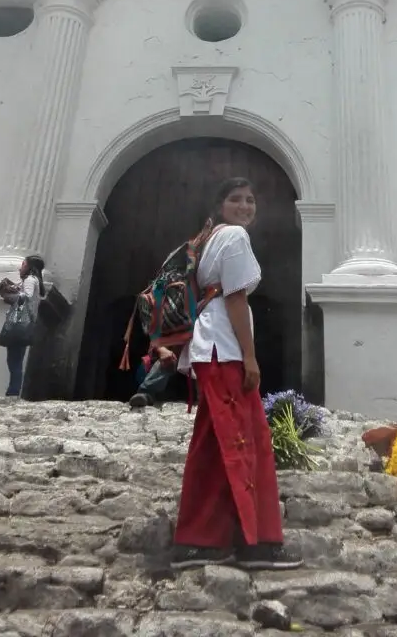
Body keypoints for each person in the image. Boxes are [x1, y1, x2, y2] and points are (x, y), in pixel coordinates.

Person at [171, 177, 301, 572]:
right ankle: (253, 542)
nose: (246, 206)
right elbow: (236, 298)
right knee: (243, 443)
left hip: (210, 348)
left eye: (250, 199)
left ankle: (205, 539)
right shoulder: (235, 239)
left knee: (215, 445)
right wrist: (250, 357)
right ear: (219, 205)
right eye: (235, 199)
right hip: (224, 351)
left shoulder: (209, 240)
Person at [0, 254, 45, 397]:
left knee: (14, 360)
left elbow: (26, 297)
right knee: (16, 359)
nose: (20, 267)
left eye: (23, 264)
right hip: (26, 324)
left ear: (30, 267)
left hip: (20, 323)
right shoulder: (34, 280)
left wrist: (9, 294)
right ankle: (13, 390)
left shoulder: (30, 280)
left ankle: (13, 391)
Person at [130, 343, 184, 408]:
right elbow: (155, 341)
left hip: (183, 378)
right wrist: (162, 349)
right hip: (160, 375)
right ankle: (146, 393)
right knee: (168, 358)